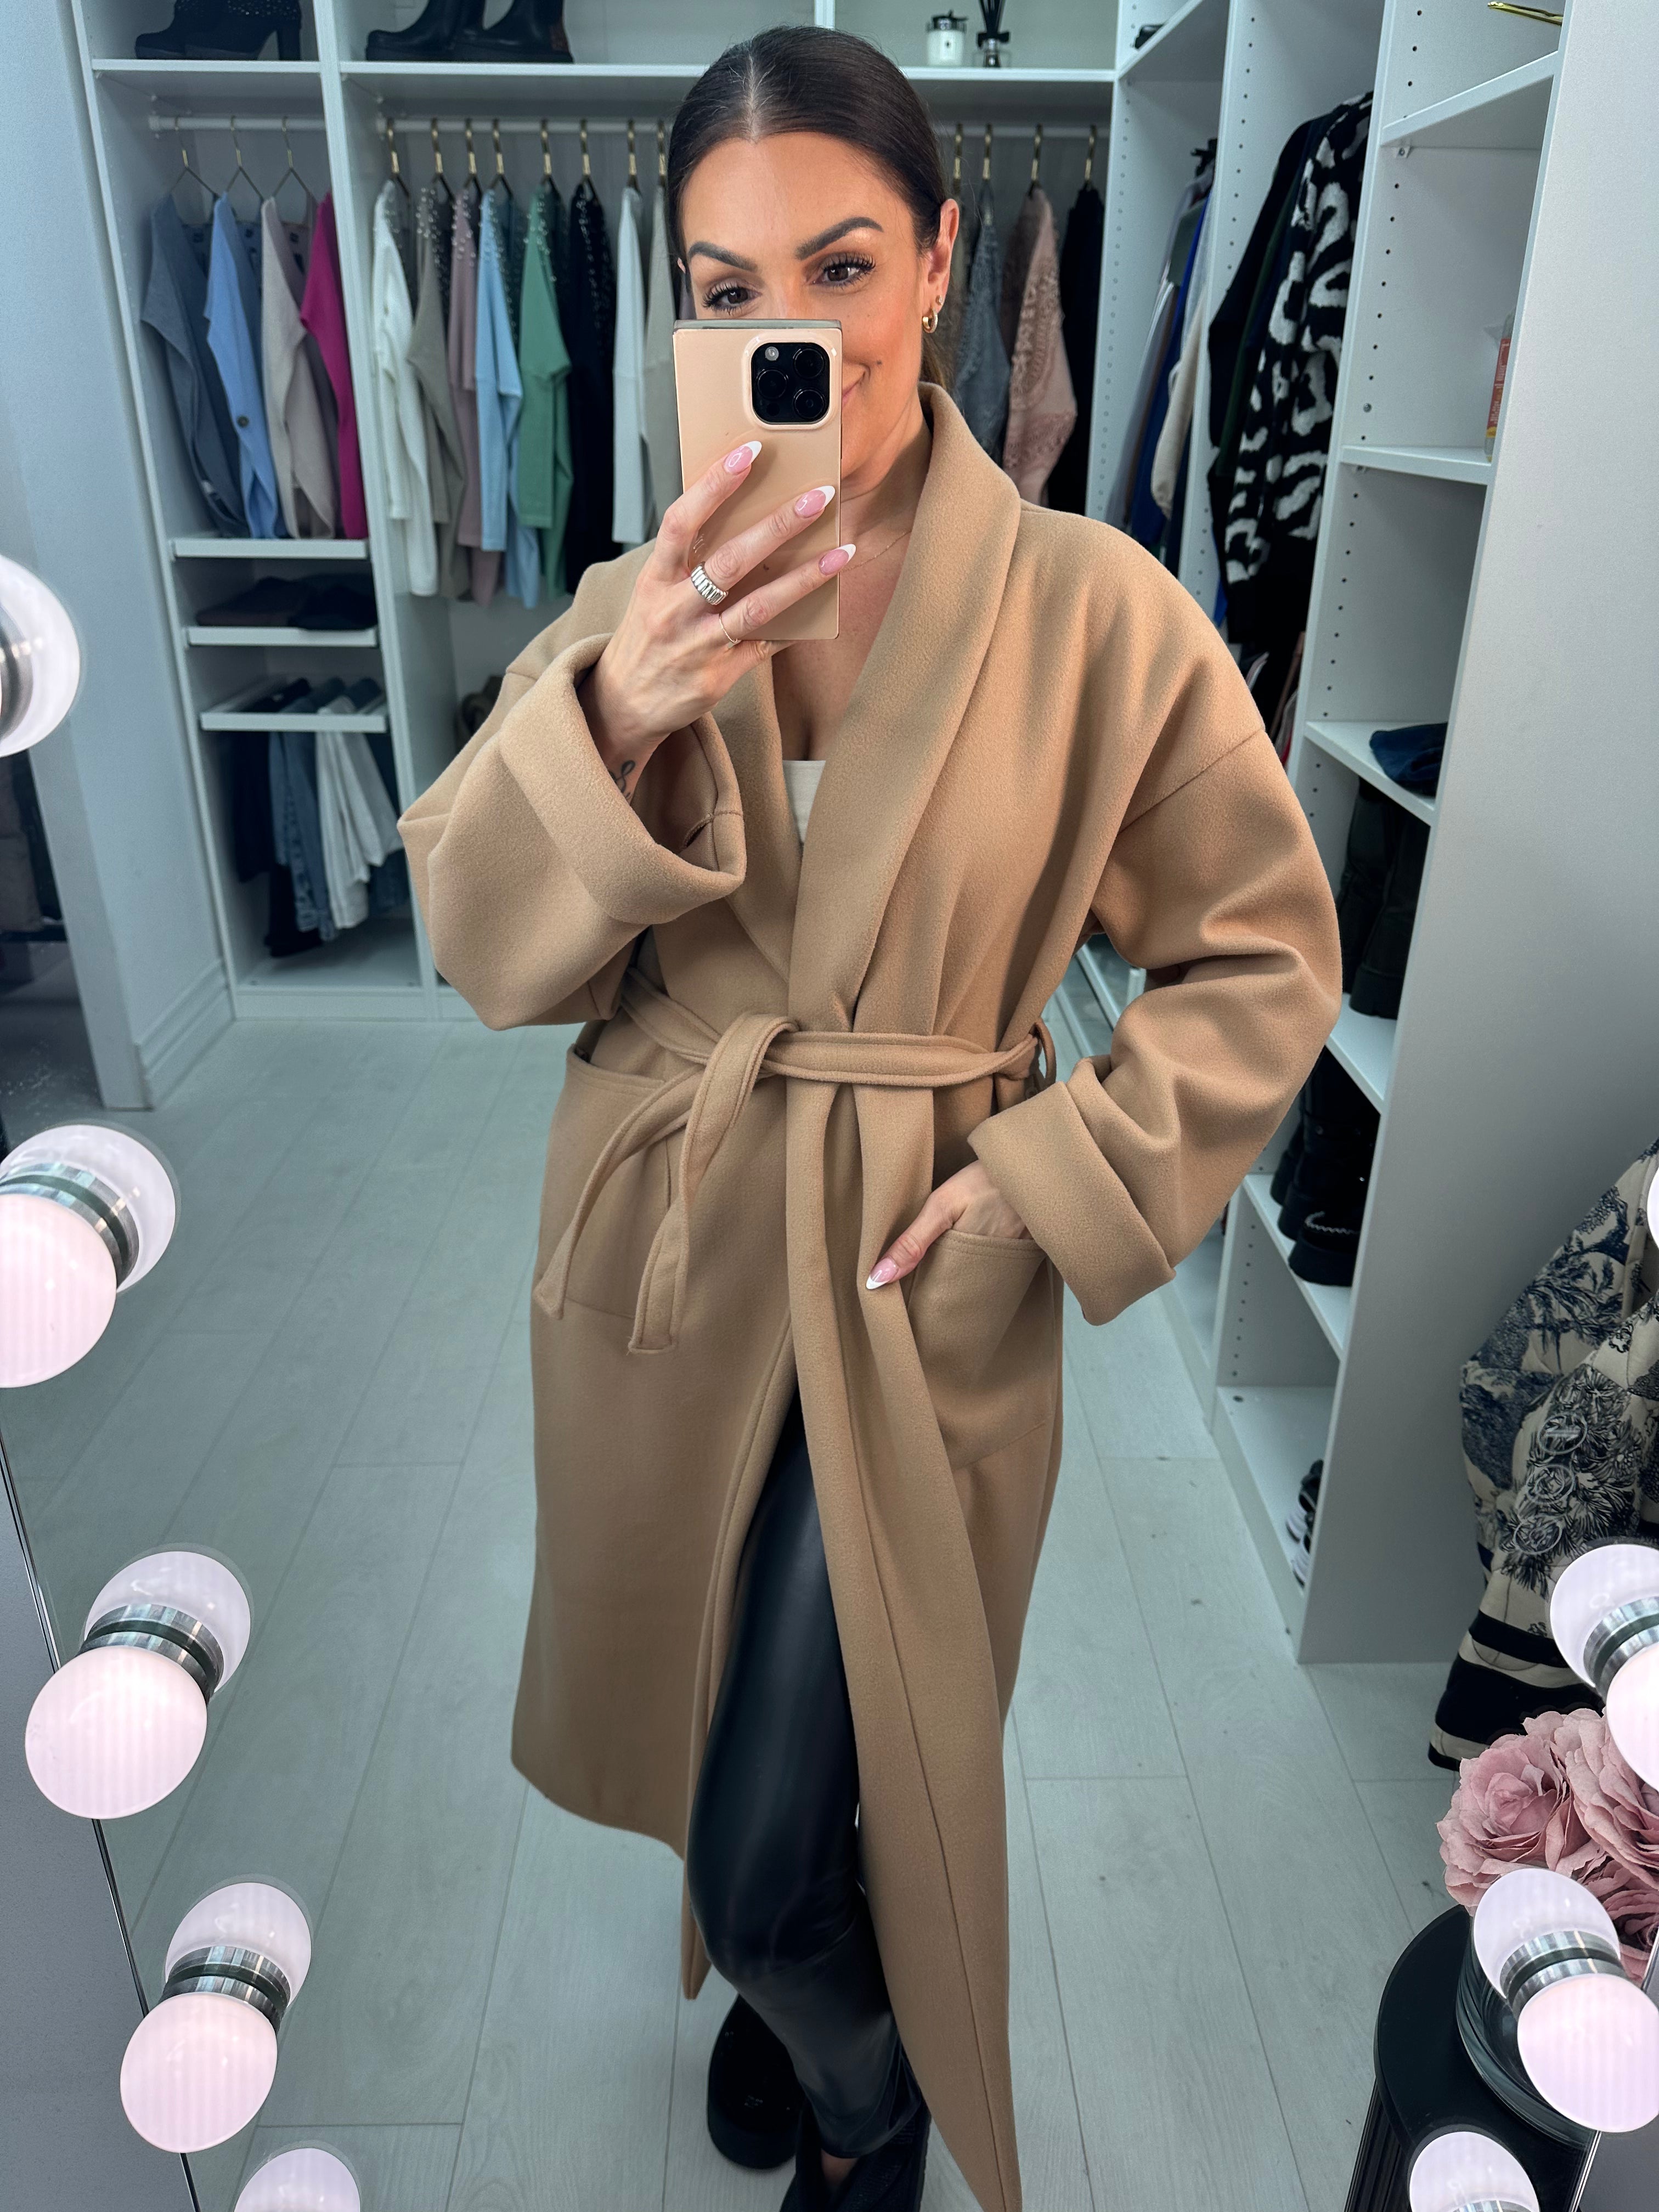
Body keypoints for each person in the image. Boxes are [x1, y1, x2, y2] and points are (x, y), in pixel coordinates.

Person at [398, 27, 1342, 2212]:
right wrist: (620, 710)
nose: (795, 331)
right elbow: (479, 942)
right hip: (680, 1241)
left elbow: (1265, 955)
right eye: (727, 292)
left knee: (806, 1796)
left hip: (927, 1256)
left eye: (841, 266)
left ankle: (864, 2091)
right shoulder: (636, 606)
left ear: (938, 261)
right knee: (715, 1694)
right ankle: (789, 1987)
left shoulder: (1098, 615)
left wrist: (1051, 1181)